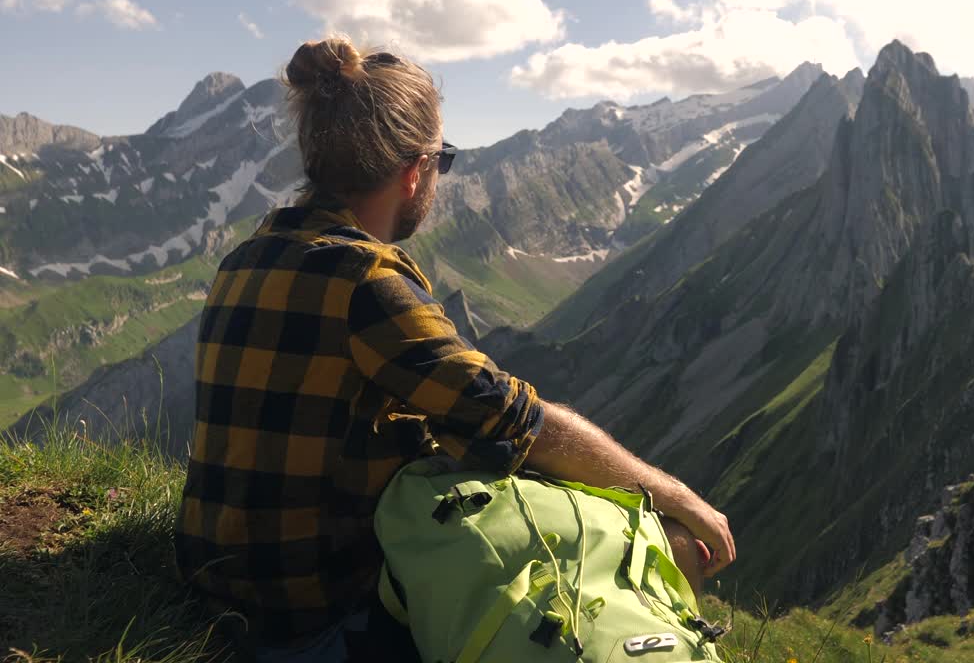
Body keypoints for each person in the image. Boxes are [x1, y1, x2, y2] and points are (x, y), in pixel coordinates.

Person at [174, 37, 735, 662]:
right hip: (317, 625)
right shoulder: (365, 280)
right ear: (414, 171)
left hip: (213, 596)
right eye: (444, 161)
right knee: (667, 545)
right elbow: (515, 420)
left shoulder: (244, 259)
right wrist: (677, 497)